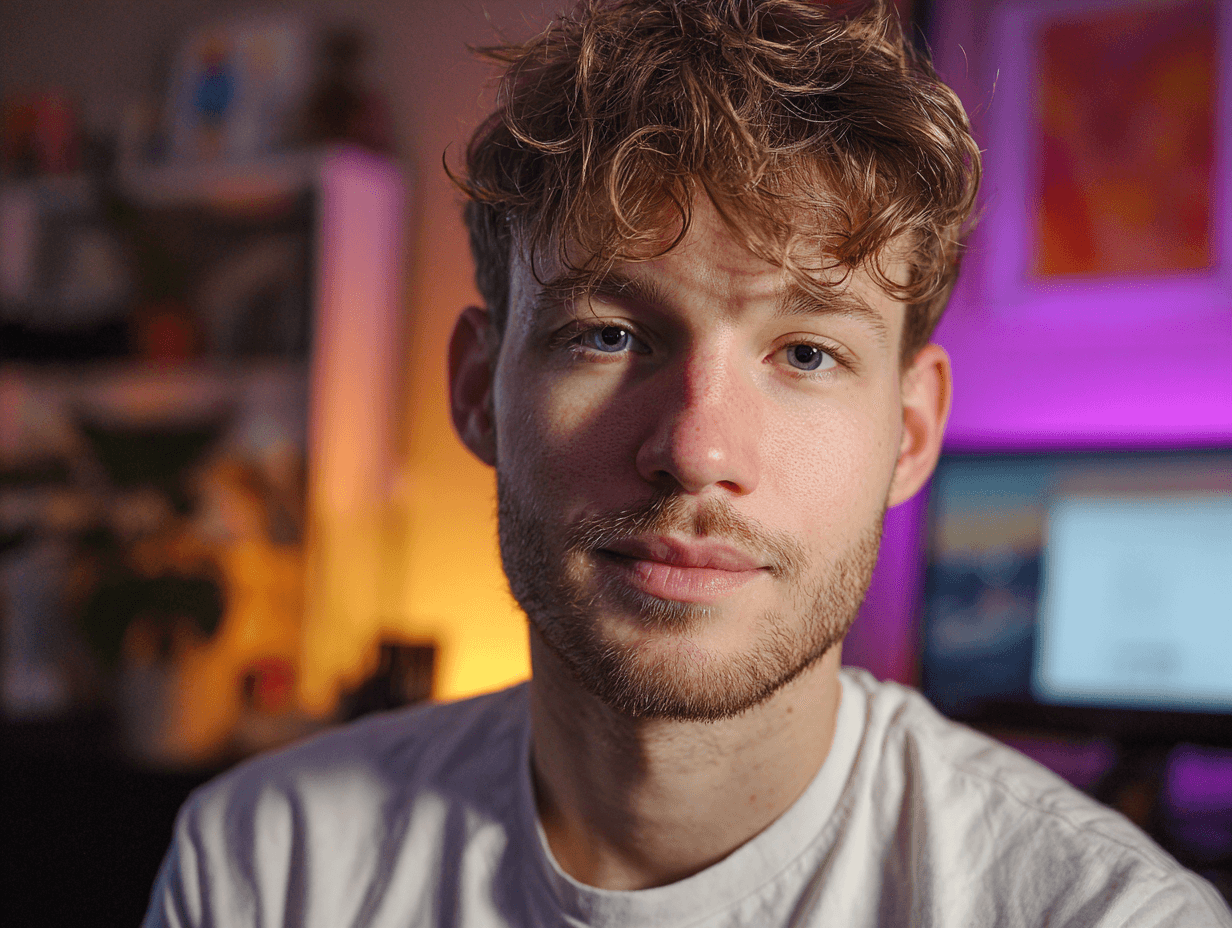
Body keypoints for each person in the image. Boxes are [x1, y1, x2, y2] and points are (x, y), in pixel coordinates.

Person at [142, 1, 1232, 925]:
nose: (695, 448)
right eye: (608, 334)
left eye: (805, 352)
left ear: (908, 432)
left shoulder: (1099, 912)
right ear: (478, 389)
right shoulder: (266, 869)